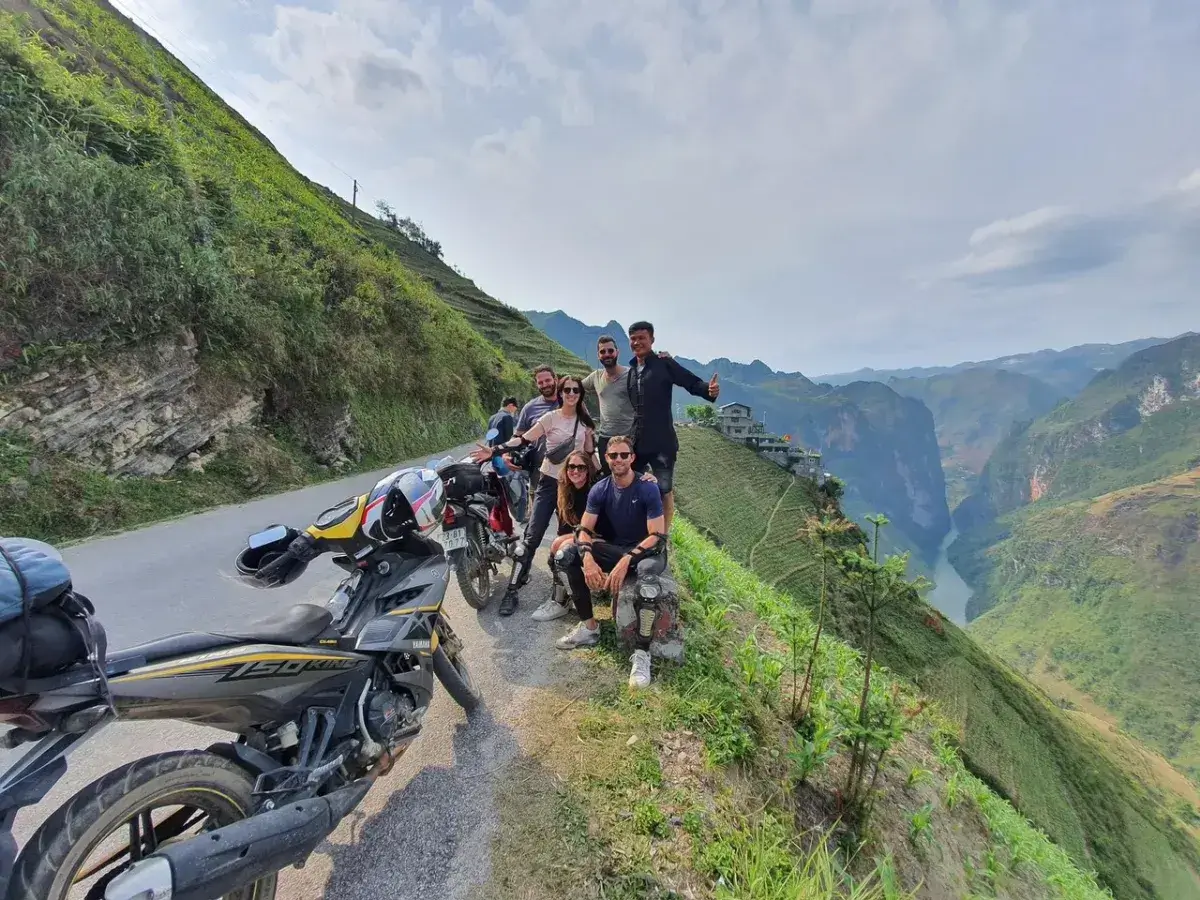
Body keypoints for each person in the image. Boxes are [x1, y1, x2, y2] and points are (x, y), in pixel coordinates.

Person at [474, 373, 596, 615]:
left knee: (566, 540)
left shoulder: (585, 424)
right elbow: (523, 440)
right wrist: (496, 451)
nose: (571, 394)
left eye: (576, 390)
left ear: (581, 394)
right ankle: (511, 591)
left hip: (573, 487)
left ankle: (561, 595)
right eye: (567, 390)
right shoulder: (551, 417)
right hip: (549, 482)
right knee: (532, 536)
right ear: (560, 393)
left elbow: (591, 456)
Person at [555, 434, 667, 689]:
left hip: (646, 552)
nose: (618, 459)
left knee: (648, 585)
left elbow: (657, 536)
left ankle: (642, 653)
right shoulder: (600, 489)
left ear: (632, 458)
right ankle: (589, 627)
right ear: (606, 458)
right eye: (613, 455)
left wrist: (627, 559)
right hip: (617, 549)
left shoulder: (647, 487)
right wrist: (589, 559)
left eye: (624, 455)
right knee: (565, 557)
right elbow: (583, 529)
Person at [625, 321, 719, 534]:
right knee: (630, 485)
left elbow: (690, 382)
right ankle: (634, 529)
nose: (637, 342)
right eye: (633, 339)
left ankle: (662, 535)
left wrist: (708, 390)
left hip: (662, 441)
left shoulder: (664, 363)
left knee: (664, 490)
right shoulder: (631, 371)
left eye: (642, 338)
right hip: (637, 441)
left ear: (652, 340)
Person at [582, 335, 638, 477]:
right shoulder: (596, 376)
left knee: (631, 478)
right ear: (598, 355)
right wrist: (586, 418)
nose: (607, 354)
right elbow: (574, 390)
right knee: (608, 477)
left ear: (617, 352)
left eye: (610, 351)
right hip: (605, 438)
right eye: (603, 352)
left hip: (629, 437)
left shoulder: (631, 374)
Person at [513, 366, 560, 522]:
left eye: (547, 380)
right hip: (538, 472)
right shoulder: (530, 408)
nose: (545, 384)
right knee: (536, 520)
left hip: (568, 471)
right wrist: (506, 453)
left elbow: (587, 429)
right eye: (540, 382)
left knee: (568, 518)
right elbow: (518, 436)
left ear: (556, 379)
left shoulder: (571, 401)